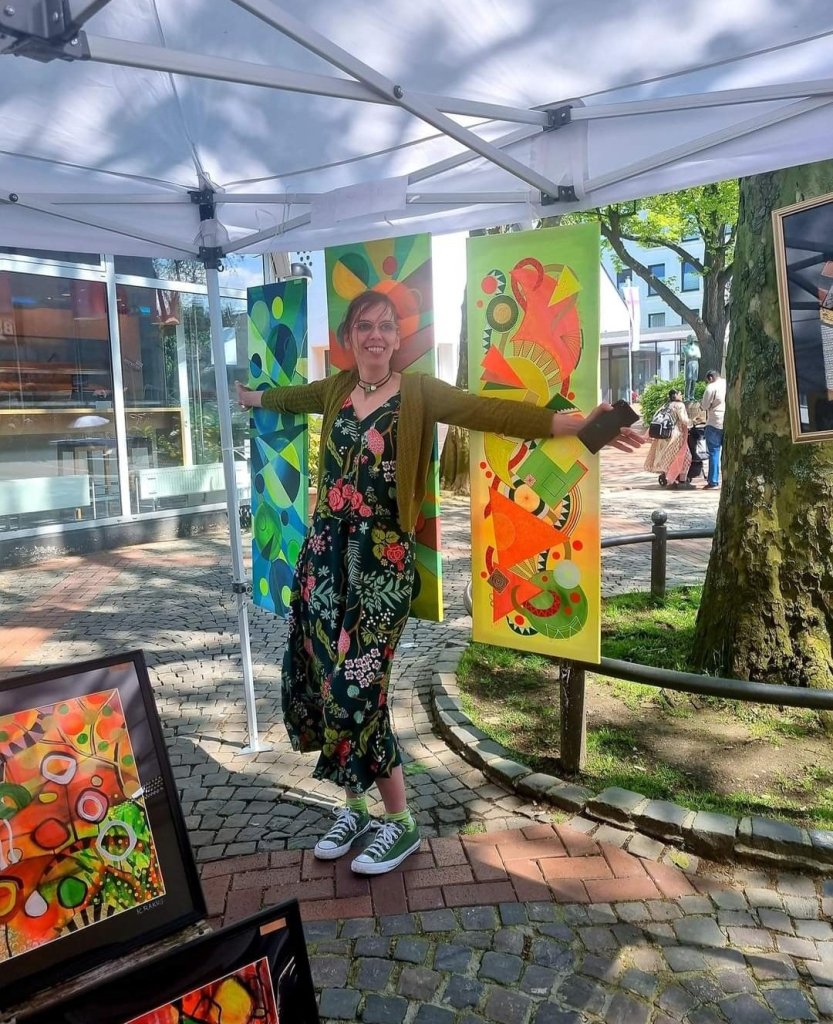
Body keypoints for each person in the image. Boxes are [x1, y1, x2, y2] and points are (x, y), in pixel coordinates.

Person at [236, 290, 645, 876]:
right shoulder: (336, 388)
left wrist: (573, 423)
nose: (375, 335)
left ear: (397, 338)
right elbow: (291, 397)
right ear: (349, 337)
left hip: (382, 560)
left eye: (385, 326)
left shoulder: (420, 391)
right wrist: (254, 398)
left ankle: (401, 823)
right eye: (363, 326)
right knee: (327, 679)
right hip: (324, 556)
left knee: (358, 686)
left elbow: (488, 412)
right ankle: (355, 807)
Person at [643, 388, 692, 488]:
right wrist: (693, 421)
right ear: (676, 395)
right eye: (680, 394)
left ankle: (670, 480)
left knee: (667, 458)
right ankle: (681, 481)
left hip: (663, 435)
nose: (682, 396)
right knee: (685, 456)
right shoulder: (679, 405)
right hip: (676, 436)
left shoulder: (665, 405)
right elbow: (684, 420)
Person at [700, 369, 726, 489]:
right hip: (727, 420)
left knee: (714, 452)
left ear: (710, 378)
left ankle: (713, 481)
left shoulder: (711, 387)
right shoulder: (727, 383)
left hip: (714, 422)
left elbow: (704, 405)